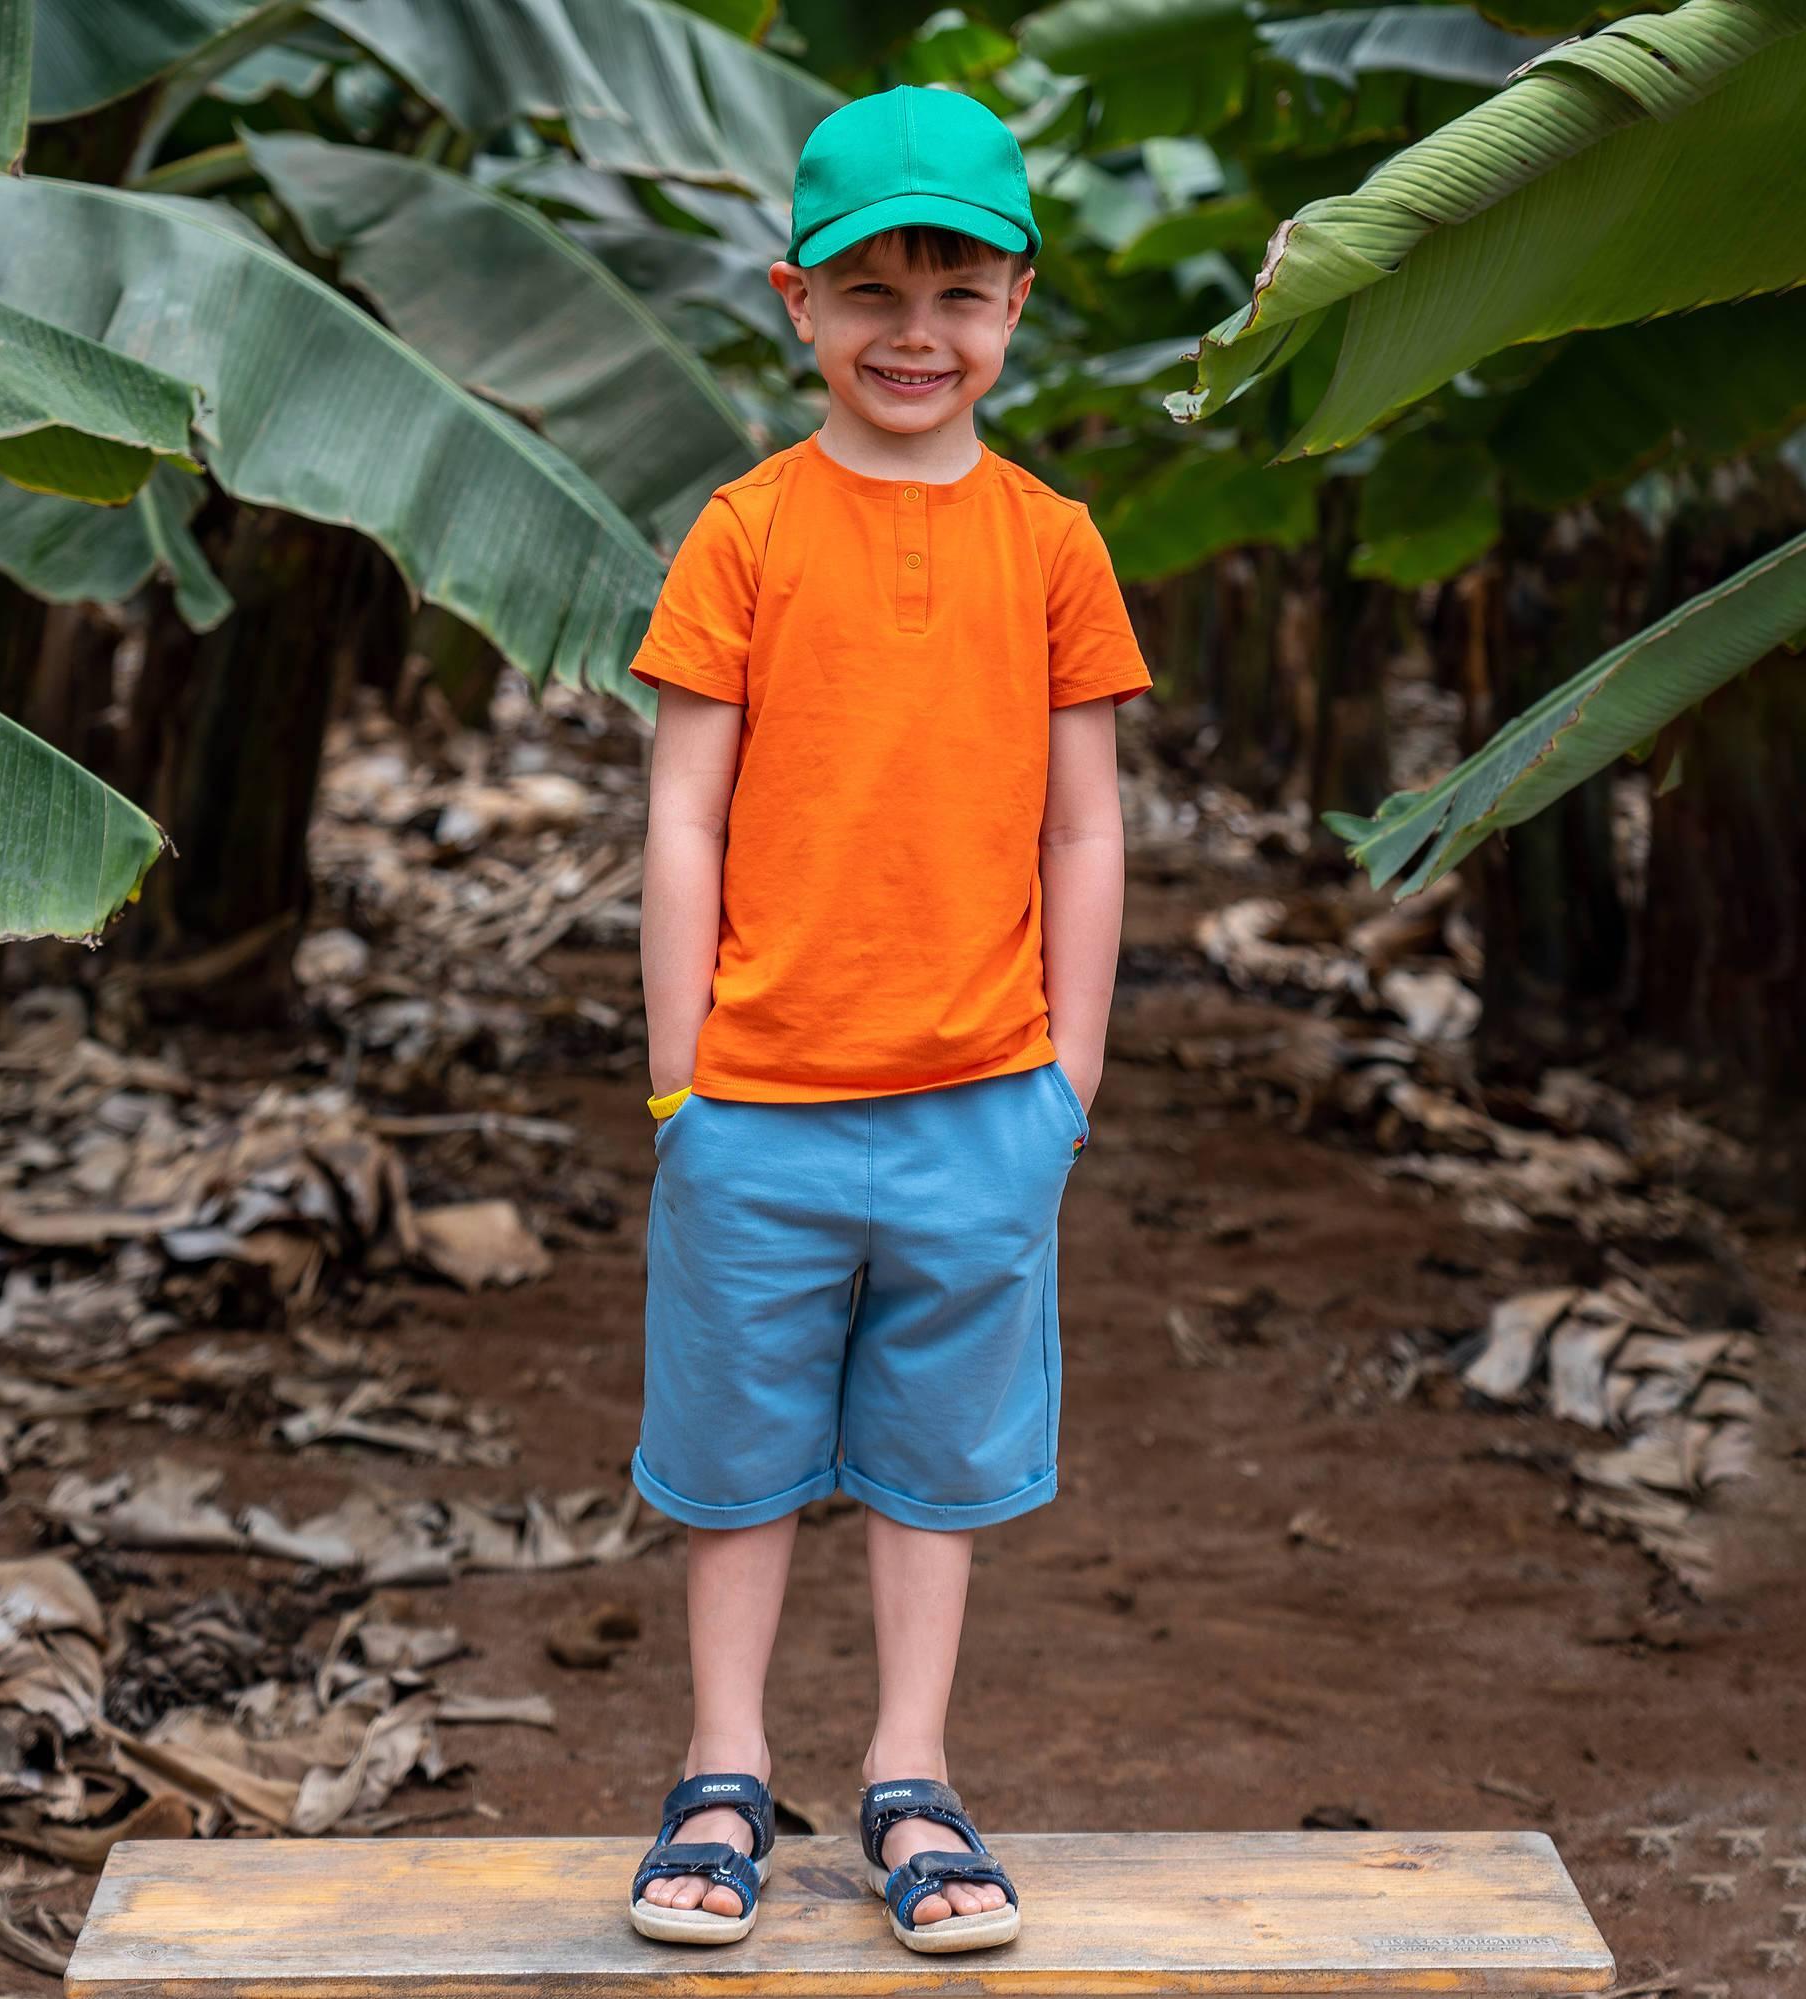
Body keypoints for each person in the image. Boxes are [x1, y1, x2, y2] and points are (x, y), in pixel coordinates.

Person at [625, 83, 1151, 1955]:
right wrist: (685, 1078)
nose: (913, 333)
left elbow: (1083, 822)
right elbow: (683, 811)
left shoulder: (1053, 542)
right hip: (756, 1101)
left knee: (935, 1467)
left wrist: (1066, 1081)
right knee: (740, 1459)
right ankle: (721, 1770)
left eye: (957, 289)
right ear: (797, 303)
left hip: (982, 1102)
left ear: (1018, 304)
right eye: (869, 290)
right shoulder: (746, 529)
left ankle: (911, 1777)